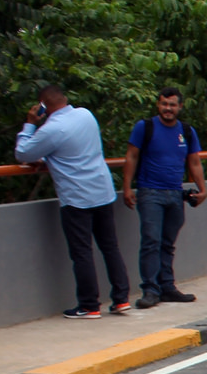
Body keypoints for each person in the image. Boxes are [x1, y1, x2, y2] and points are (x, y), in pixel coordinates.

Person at [16, 83, 131, 318]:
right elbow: (75, 150)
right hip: (102, 191)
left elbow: (23, 153)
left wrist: (29, 123)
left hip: (77, 198)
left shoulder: (52, 129)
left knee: (82, 252)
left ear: (43, 107)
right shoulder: (86, 115)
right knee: (110, 247)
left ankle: (89, 305)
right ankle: (121, 299)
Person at [121, 85, 207, 308]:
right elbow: (131, 156)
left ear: (179, 106)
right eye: (163, 104)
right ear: (158, 105)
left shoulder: (186, 131)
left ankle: (167, 287)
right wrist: (127, 188)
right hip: (150, 192)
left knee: (168, 243)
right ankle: (150, 290)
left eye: (172, 105)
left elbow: (194, 161)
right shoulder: (145, 127)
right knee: (151, 241)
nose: (167, 108)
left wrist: (202, 189)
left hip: (175, 193)